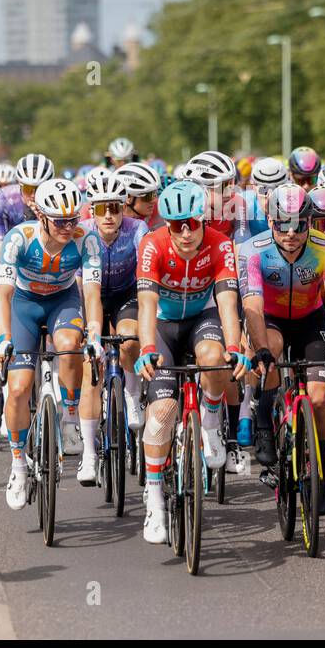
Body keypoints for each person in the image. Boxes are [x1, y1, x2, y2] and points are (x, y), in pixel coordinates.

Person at [134, 180, 248, 544]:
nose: (185, 232)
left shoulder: (221, 244)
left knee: (216, 360)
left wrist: (234, 345)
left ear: (203, 220)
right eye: (176, 225)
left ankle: (212, 422)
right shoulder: (152, 244)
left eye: (192, 223)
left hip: (202, 318)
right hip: (164, 326)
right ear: (166, 224)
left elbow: (228, 301)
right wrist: (147, 346)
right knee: (163, 411)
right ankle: (154, 499)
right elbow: (147, 304)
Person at [238, 184, 325, 513]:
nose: (290, 233)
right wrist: (260, 351)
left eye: (299, 224)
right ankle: (264, 425)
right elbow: (252, 302)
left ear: (309, 222)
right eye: (281, 224)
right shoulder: (251, 250)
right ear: (269, 221)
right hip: (269, 320)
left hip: (310, 321)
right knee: (269, 353)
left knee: (317, 399)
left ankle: (323, 476)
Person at [0, 177, 93, 510]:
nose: (68, 226)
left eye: (73, 219)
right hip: (24, 304)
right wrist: (4, 339)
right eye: (61, 220)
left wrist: (92, 331)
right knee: (19, 388)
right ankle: (19, 465)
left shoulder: (84, 240)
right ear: (43, 217)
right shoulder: (18, 239)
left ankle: (69, 419)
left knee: (69, 343)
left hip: (63, 301)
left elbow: (90, 292)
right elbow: (3, 295)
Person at [77, 167, 147, 484]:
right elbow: (83, 287)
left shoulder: (137, 229)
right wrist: (92, 330)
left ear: (123, 207)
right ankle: (89, 456)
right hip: (88, 296)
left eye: (115, 207)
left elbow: (147, 276)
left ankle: (132, 397)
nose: (109, 216)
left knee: (130, 340)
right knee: (91, 369)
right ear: (92, 210)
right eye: (102, 209)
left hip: (124, 295)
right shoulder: (81, 234)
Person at [0, 153, 52, 266]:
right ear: (20, 184)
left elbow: (58, 250)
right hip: (10, 262)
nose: (33, 195)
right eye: (28, 188)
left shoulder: (56, 200)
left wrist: (42, 220)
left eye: (39, 188)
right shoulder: (3, 200)